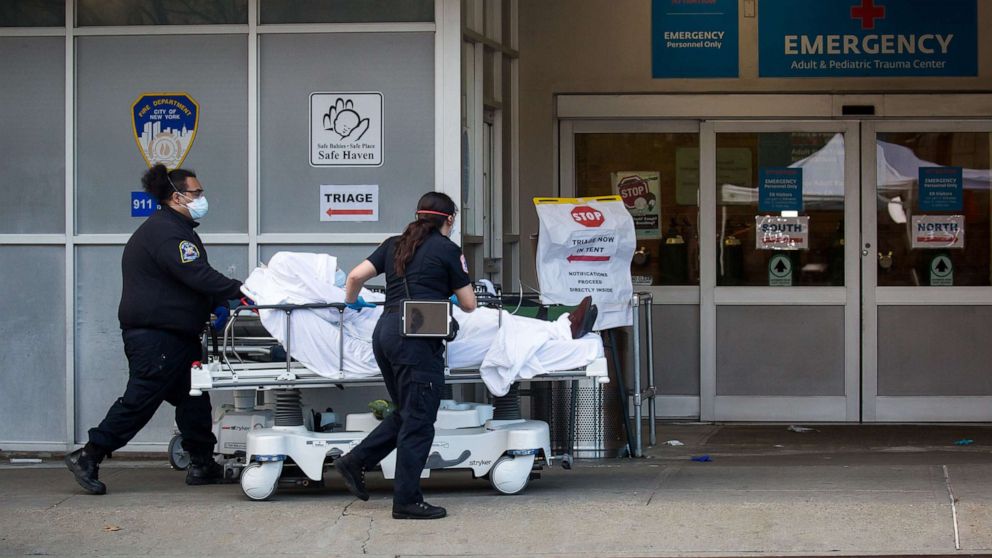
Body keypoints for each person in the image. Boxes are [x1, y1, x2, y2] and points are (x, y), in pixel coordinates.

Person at [65, 164, 244, 495]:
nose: (202, 198)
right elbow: (197, 275)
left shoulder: (173, 228)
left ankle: (202, 462)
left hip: (175, 335)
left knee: (193, 399)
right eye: (196, 192)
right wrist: (243, 291)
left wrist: (212, 305)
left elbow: (184, 284)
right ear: (177, 197)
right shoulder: (166, 232)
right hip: (157, 337)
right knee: (140, 400)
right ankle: (88, 454)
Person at [335, 192, 477, 520]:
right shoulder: (448, 250)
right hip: (416, 338)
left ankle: (355, 461)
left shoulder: (393, 244)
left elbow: (355, 277)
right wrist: (450, 298)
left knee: (408, 412)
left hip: (385, 334)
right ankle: (407, 501)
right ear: (449, 219)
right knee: (420, 422)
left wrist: (353, 301)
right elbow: (469, 303)